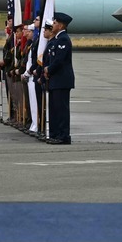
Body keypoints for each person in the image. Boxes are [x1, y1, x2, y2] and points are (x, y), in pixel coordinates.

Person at [42, 12, 75, 145]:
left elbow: (59, 60)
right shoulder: (57, 39)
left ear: (60, 26)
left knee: (61, 110)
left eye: (55, 23)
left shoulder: (63, 39)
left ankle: (63, 136)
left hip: (62, 80)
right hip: (55, 80)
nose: (53, 25)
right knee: (55, 109)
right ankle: (55, 134)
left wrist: (49, 69)